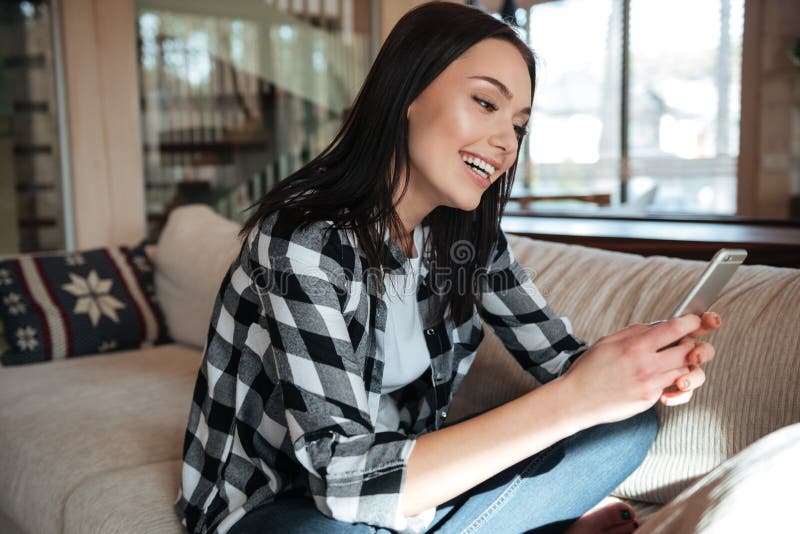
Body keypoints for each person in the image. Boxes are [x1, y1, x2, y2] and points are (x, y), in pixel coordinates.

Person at [174, 2, 720, 533]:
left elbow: (564, 364)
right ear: (408, 92)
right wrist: (577, 398)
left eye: (519, 125)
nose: (506, 143)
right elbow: (342, 480)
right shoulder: (302, 243)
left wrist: (634, 366)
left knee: (624, 426)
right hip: (281, 501)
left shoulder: (465, 242)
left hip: (405, 479)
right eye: (486, 103)